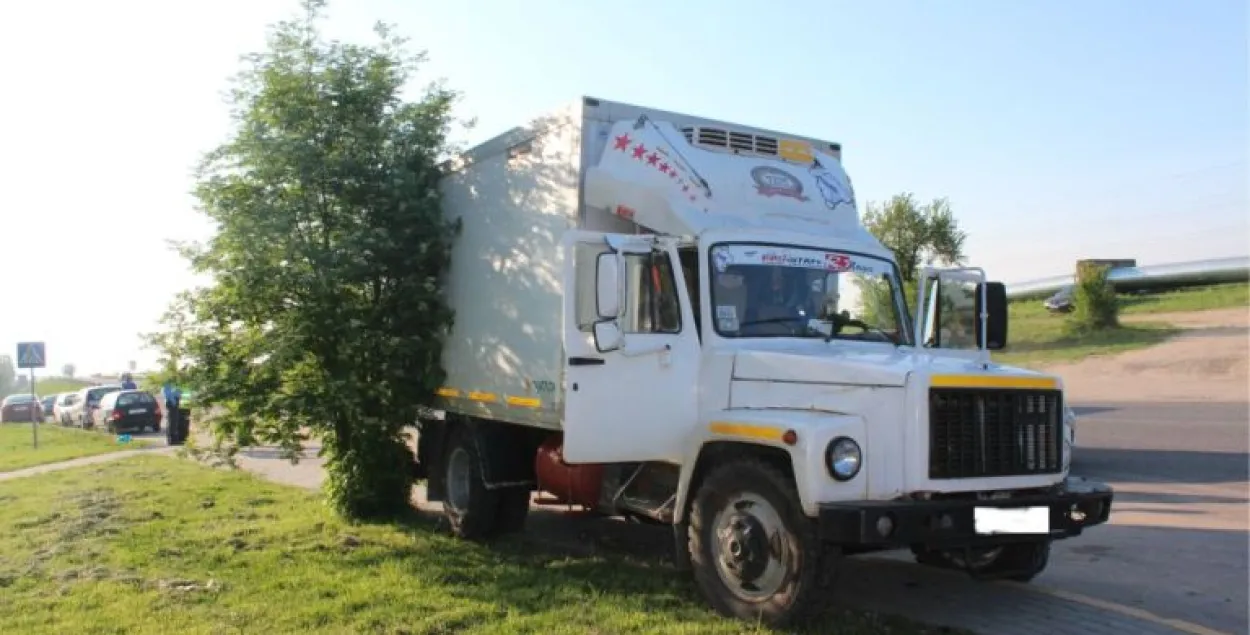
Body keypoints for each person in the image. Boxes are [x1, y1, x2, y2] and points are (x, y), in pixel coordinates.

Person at [162, 378, 182, 445]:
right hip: (172, 404)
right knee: (172, 421)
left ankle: (173, 439)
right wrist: (174, 402)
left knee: (173, 421)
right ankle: (172, 440)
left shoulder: (172, 384)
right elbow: (168, 395)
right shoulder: (167, 385)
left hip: (173, 403)